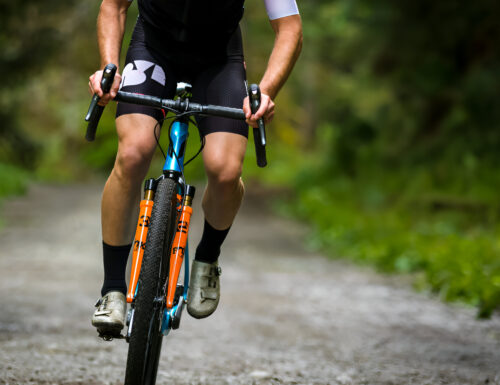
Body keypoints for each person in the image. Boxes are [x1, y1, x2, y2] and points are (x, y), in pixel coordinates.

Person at [89, 0, 302, 335]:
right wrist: (109, 67)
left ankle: (207, 257)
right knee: (133, 152)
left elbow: (290, 28)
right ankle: (112, 289)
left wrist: (267, 91)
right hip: (152, 49)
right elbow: (113, 6)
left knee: (225, 169)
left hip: (218, 59)